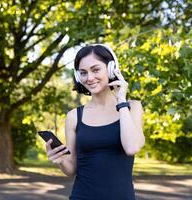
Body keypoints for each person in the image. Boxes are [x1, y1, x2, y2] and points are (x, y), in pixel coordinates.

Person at [45, 44, 145, 200]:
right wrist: (60, 160)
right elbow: (71, 170)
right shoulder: (74, 117)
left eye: (95, 70)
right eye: (83, 73)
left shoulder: (133, 107)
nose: (89, 78)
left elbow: (131, 147)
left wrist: (121, 100)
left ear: (111, 69)